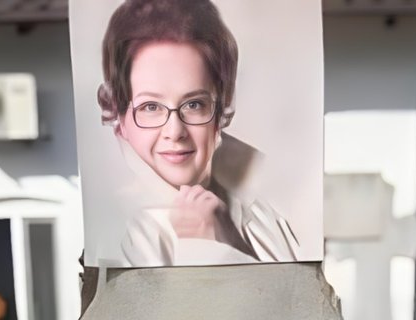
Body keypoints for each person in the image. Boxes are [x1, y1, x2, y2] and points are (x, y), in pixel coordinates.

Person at [96, 0, 301, 267]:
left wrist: (228, 238)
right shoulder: (117, 231)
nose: (175, 132)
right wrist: (213, 250)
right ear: (116, 111)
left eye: (194, 105)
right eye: (151, 107)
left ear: (222, 106)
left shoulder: (262, 209)